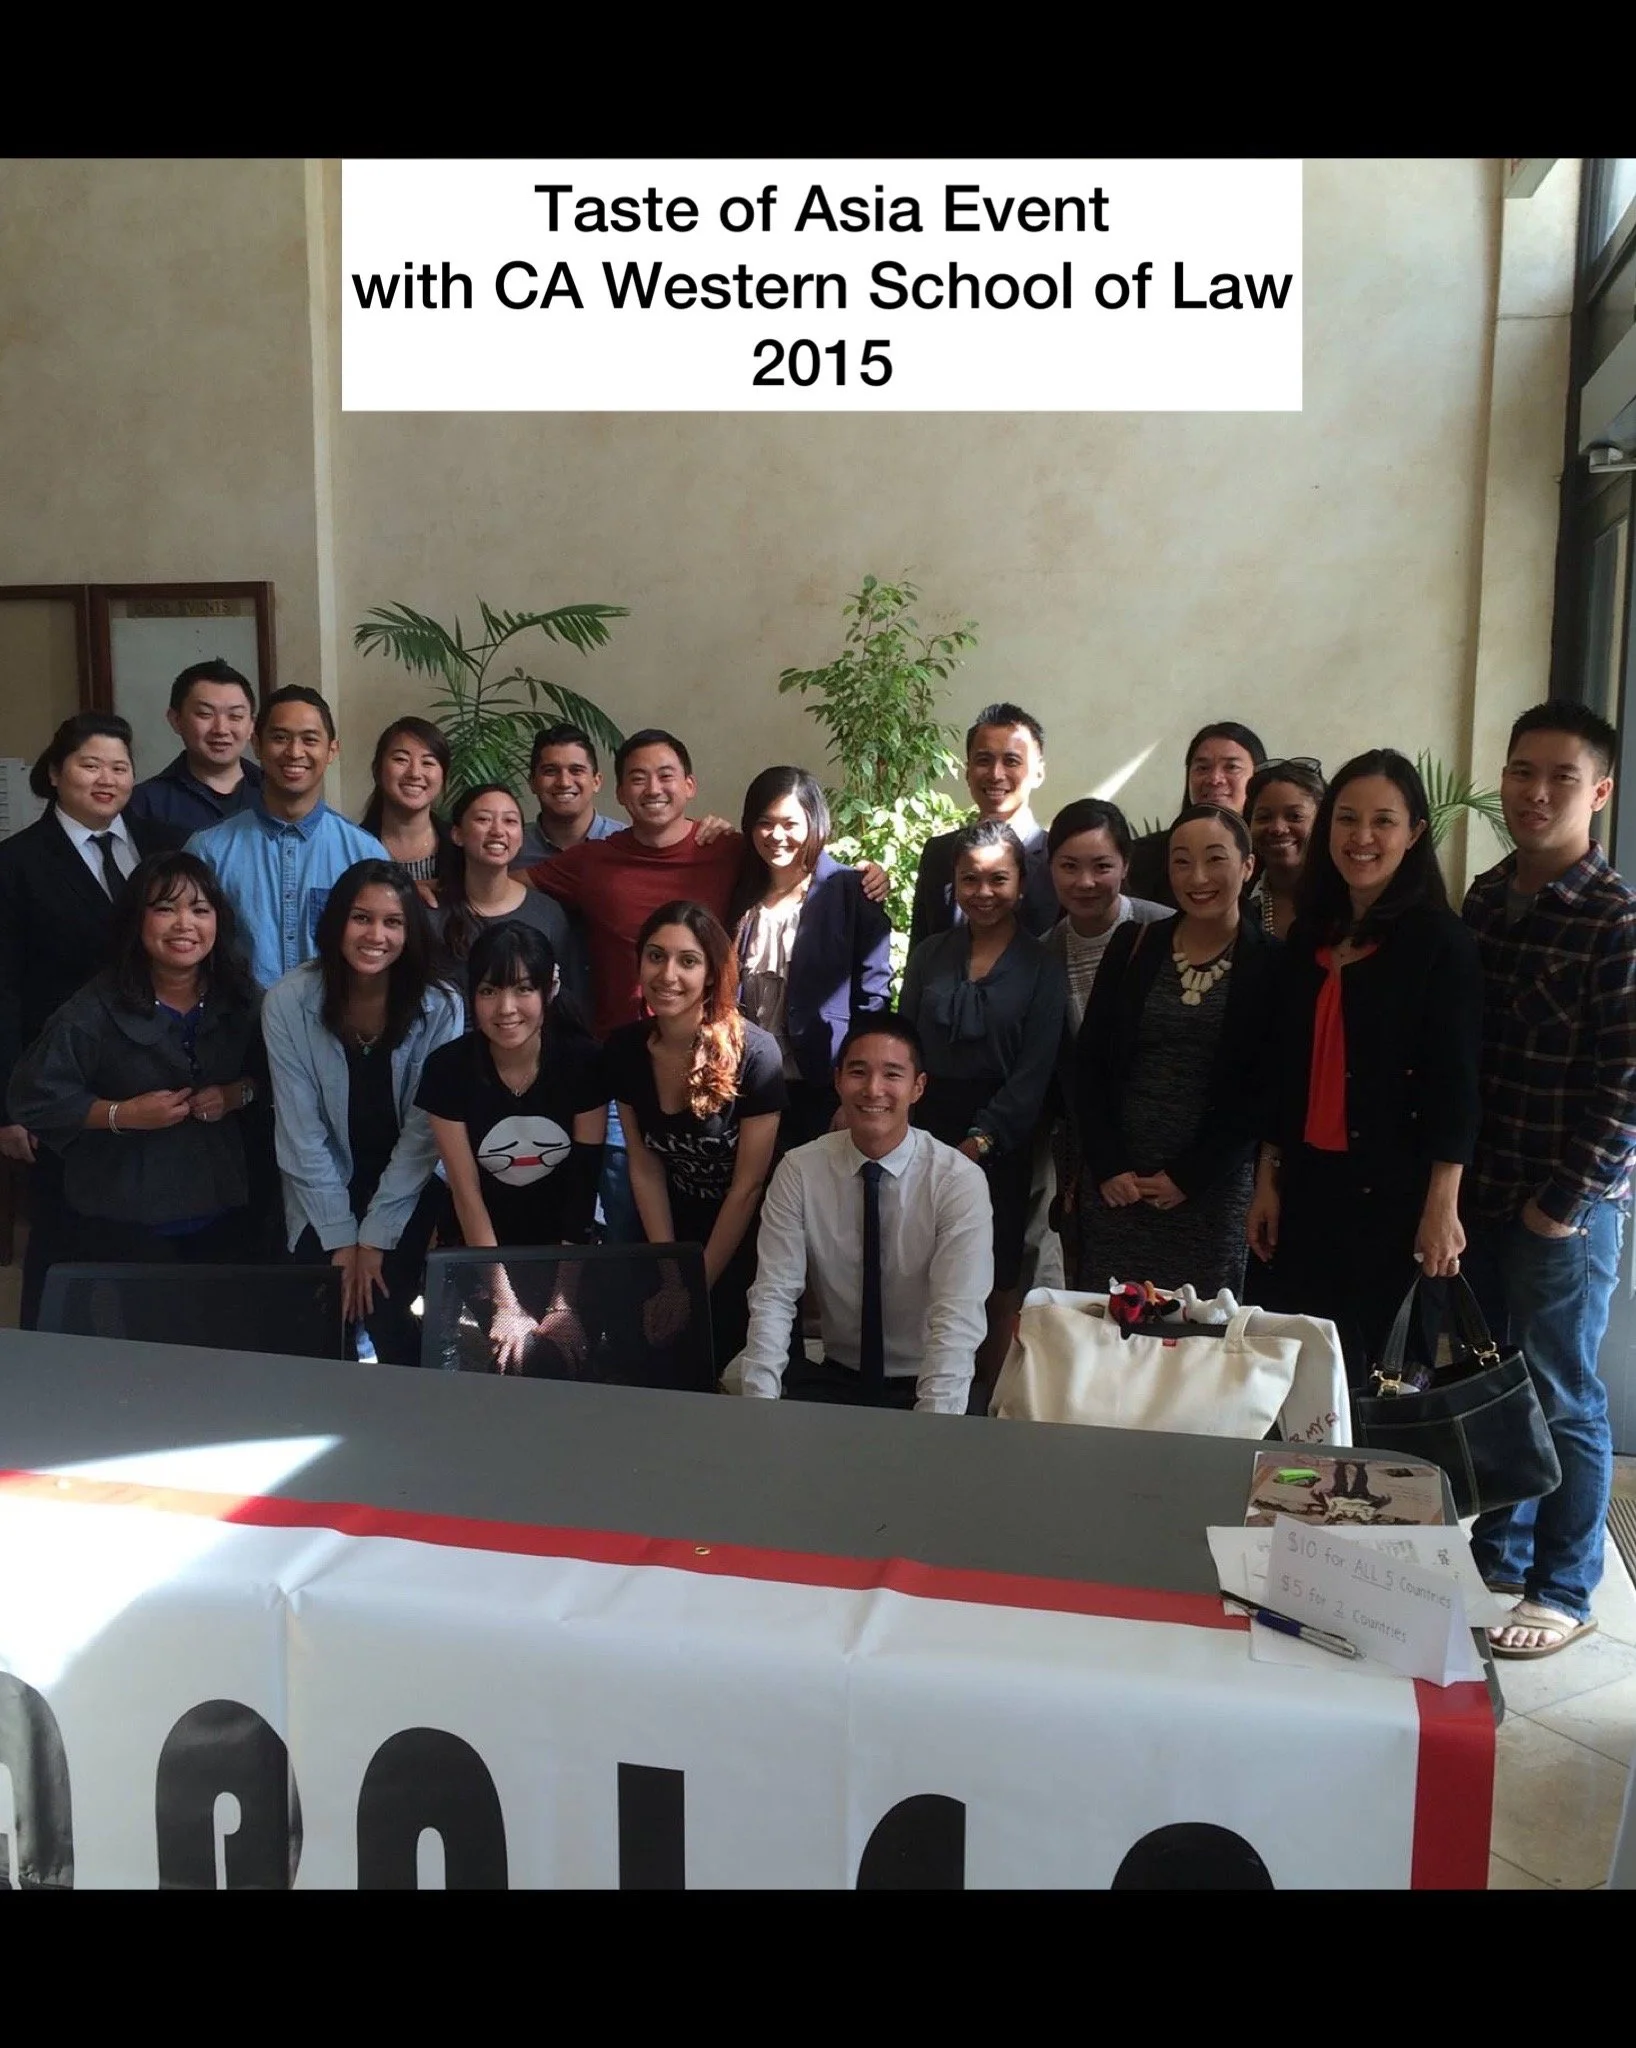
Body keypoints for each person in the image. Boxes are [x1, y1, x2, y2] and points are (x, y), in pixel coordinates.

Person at [1460, 702, 1636, 1659]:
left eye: (1560, 777)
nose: (1534, 792)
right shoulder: (1488, 896)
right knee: (1493, 1386)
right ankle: (1500, 1552)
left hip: (1563, 1211)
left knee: (1565, 1394)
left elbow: (1627, 1083)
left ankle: (1566, 1586)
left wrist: (1561, 1205)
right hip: (1481, 1194)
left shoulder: (1615, 918)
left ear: (1598, 793)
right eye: (1522, 771)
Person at [1247, 750, 1481, 1386]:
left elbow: (1455, 1085)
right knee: (1297, 1377)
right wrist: (1268, 1178)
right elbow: (1283, 1073)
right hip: (1307, 1189)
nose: (1362, 837)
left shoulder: (1441, 943)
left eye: (1383, 821)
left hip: (1393, 1199)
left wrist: (1442, 1205)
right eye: (1347, 819)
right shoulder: (1310, 937)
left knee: (1381, 1383)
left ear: (1415, 832)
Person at [0, 712, 185, 1326]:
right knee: (63, 1239)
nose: (107, 779)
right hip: (63, 1081)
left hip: (155, 1067)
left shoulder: (162, 845)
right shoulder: (17, 863)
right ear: (55, 773)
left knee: (150, 1238)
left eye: (120, 766)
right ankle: (54, 1369)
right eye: (90, 764)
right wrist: (8, 1109)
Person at [7, 850, 264, 1266]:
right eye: (165, 909)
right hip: (121, 1219)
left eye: (200, 909)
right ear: (137, 920)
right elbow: (32, 1097)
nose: (185, 924)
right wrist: (120, 1114)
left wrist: (238, 1094)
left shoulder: (241, 996)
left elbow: (277, 1077)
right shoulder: (93, 1009)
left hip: (224, 1208)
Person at [734, 1015, 993, 1413]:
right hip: (835, 1377)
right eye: (858, 1072)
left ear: (917, 1087)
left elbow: (956, 1320)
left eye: (892, 1074)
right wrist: (757, 1411)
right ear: (838, 1080)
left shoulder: (957, 1181)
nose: (874, 1089)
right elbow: (774, 1295)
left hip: (926, 1380)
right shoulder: (800, 1171)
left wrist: (935, 1434)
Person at [261, 858, 464, 1365]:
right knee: (324, 1306)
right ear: (335, 922)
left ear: (410, 930)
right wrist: (340, 1237)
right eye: (361, 918)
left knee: (391, 1307)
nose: (376, 934)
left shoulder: (441, 1005)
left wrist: (372, 1238)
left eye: (392, 922)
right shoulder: (288, 1000)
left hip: (408, 1181)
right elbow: (300, 1133)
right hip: (319, 1180)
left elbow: (424, 1136)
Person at [1078, 803, 1279, 1302]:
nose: (1198, 877)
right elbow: (1086, 1064)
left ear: (1248, 867)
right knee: (1112, 1335)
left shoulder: (1272, 963)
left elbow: (1268, 1089)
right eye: (1181, 861)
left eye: (1215, 859)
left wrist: (1190, 1177)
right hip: (1118, 1188)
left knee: (1199, 1340)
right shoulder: (1134, 943)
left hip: (1211, 1193)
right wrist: (1108, 1166)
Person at [900, 819, 1067, 1393]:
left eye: (999, 879)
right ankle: (919, 1386)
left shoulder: (1043, 964)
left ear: (1022, 884)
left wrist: (982, 1142)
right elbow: (905, 1045)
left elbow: (1035, 1071)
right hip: (923, 1127)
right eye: (971, 879)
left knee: (996, 1273)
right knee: (921, 1263)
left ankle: (985, 1398)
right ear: (954, 884)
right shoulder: (928, 956)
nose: (984, 892)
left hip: (1001, 1133)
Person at [601, 901, 786, 1373]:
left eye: (688, 960)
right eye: (656, 956)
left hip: (748, 1239)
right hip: (668, 1230)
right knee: (653, 1361)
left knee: (733, 1369)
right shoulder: (624, 1049)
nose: (668, 974)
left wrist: (692, 1285)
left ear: (711, 973)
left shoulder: (757, 1054)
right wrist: (672, 1273)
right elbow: (644, 1166)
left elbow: (747, 1189)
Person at [417, 922, 606, 1373]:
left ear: (550, 989)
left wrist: (562, 1302)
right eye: (489, 991)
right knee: (514, 1359)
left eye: (523, 989)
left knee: (566, 1356)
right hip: (481, 1248)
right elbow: (466, 1194)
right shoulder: (448, 1070)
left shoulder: (583, 1062)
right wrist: (505, 1303)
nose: (506, 1009)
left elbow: (583, 1188)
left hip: (563, 1246)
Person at [1041, 798, 1173, 1287]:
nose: (1085, 882)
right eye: (1069, 866)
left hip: (1169, 1147)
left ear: (1126, 866)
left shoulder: (1165, 930)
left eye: (1102, 866)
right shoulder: (1043, 953)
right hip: (1093, 1159)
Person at [730, 766, 893, 1152]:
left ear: (814, 822)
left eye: (790, 823)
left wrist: (853, 1094)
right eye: (765, 823)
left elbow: (873, 1004)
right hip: (745, 1085)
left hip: (821, 1087)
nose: (777, 836)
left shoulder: (851, 893)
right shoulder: (738, 893)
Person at [186, 686, 388, 989]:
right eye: (280, 738)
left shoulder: (364, 853)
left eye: (310, 739)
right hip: (236, 1029)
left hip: (333, 1025)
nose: (295, 752)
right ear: (256, 744)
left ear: (332, 750)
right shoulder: (208, 850)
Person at [909, 701, 1058, 948]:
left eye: (1011, 761)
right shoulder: (939, 853)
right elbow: (921, 950)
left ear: (1038, 773)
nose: (995, 774)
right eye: (983, 760)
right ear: (968, 771)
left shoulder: (1058, 859)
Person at [432, 782, 582, 1005]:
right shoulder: (430, 911)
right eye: (483, 819)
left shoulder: (547, 912)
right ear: (457, 834)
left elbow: (566, 998)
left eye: (510, 821)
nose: (497, 831)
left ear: (521, 837)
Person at [1125, 720, 1269, 905]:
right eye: (1203, 768)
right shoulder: (1144, 857)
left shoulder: (1273, 855)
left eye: (1231, 767)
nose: (1215, 779)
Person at [126, 658, 264, 833]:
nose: (221, 729)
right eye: (205, 714)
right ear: (176, 720)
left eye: (235, 716)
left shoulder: (275, 792)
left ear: (252, 725)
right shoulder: (145, 803)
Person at [359, 717, 456, 898]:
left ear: (444, 777)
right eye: (401, 759)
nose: (415, 773)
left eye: (428, 762)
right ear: (377, 771)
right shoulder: (353, 846)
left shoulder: (461, 848)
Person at [512, 724, 622, 868]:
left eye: (576, 770)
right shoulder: (511, 848)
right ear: (532, 783)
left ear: (596, 781)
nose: (564, 783)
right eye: (550, 771)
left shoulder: (626, 845)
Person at [1245, 758, 1326, 940]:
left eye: (1295, 816)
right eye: (1264, 817)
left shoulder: (1349, 901)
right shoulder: (1237, 902)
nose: (1277, 828)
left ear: (1324, 821)